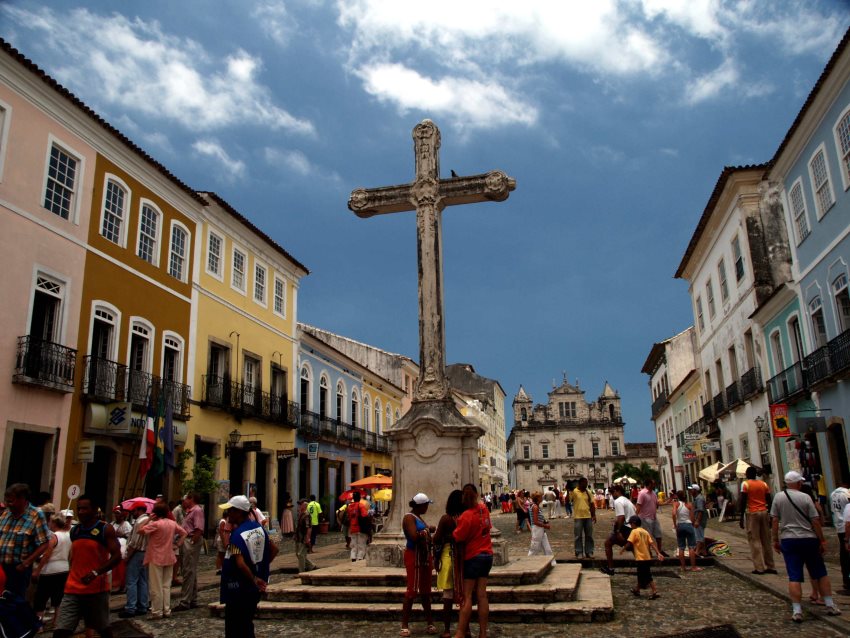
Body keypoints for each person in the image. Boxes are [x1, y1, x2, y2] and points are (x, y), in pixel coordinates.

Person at [771, 470, 841, 622]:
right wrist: (822, 540)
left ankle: (797, 610)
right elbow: (815, 520)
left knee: (794, 576)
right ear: (798, 483)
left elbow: (775, 521)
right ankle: (829, 604)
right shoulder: (806, 497)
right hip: (809, 539)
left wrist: (775, 540)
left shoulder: (778, 497)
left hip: (789, 540)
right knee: (820, 573)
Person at [52, 494, 121, 638]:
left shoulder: (105, 529)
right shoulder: (75, 531)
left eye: (85, 508)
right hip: (72, 588)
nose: (81, 511)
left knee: (103, 629)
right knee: (61, 630)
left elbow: (117, 557)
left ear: (95, 509)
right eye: (79, 508)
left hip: (96, 589)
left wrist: (96, 572)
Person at [219, 495, 278, 638]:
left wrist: (253, 577)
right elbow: (274, 549)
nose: (228, 515)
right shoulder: (258, 528)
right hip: (253, 589)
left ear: (238, 512)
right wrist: (260, 568)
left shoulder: (236, 536)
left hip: (238, 588)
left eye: (230, 511)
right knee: (246, 625)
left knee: (235, 628)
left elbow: (239, 563)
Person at [453, 484, 493, 638]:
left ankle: (461, 632)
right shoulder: (484, 509)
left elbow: (458, 536)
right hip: (487, 555)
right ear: (477, 494)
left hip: (473, 556)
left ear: (463, 497)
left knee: (467, 595)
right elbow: (487, 528)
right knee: (482, 595)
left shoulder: (466, 516)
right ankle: (483, 633)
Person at [137, 502, 187, 619]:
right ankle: (166, 609)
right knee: (166, 585)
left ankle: (157, 611)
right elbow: (184, 533)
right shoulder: (172, 523)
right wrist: (178, 544)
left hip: (156, 556)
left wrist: (149, 518)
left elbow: (139, 530)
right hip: (169, 555)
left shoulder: (156, 524)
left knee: (156, 586)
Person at [0, 483, 51, 596]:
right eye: (7, 501)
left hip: (18, 569)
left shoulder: (36, 515)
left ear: (22, 499)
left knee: (14, 603)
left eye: (11, 501)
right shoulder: (6, 513)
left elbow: (44, 543)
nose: (8, 504)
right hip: (1, 567)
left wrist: (26, 564)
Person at [400, 493, 436, 637]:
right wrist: (428, 530)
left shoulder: (419, 518)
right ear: (420, 505)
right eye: (426, 504)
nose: (427, 507)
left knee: (426, 591)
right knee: (412, 589)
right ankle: (404, 624)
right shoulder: (409, 517)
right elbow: (414, 536)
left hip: (424, 556)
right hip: (414, 556)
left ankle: (430, 622)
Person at [433, 490, 464, 638]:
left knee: (448, 595)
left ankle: (446, 630)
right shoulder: (465, 517)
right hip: (463, 557)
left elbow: (436, 538)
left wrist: (435, 558)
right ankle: (466, 629)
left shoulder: (446, 519)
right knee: (465, 594)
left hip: (448, 556)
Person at [32, 514, 71, 630]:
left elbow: (47, 555)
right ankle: (56, 622)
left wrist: (37, 570)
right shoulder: (68, 536)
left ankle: (39, 625)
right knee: (58, 597)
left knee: (41, 598)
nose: (49, 524)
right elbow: (70, 554)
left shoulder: (54, 536)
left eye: (50, 522)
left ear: (54, 523)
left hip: (50, 570)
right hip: (64, 568)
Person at [739, 466, 777, 575]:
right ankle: (771, 566)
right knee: (766, 540)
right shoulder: (763, 484)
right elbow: (769, 499)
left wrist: (741, 516)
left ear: (747, 474)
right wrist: (770, 513)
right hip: (764, 512)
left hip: (752, 513)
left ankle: (759, 567)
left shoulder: (746, 484)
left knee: (754, 540)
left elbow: (743, 500)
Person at [174, 491, 204, 612]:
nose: (183, 501)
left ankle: (185, 600)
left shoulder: (196, 510)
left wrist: (191, 542)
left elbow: (199, 529)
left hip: (190, 540)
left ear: (191, 499)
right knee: (190, 571)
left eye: (185, 499)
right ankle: (192, 599)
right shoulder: (190, 511)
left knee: (187, 571)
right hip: (187, 540)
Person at [120, 501, 150, 618]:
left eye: (134, 511)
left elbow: (135, 542)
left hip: (137, 553)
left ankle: (130, 607)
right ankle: (142, 605)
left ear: (139, 510)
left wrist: (128, 556)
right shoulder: (148, 520)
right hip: (145, 553)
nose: (132, 513)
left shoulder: (140, 522)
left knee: (131, 581)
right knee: (143, 580)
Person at [622, 515, 661, 599]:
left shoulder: (634, 532)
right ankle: (637, 589)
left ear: (634, 524)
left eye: (631, 524)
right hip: (647, 557)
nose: (631, 526)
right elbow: (652, 543)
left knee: (646, 575)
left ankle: (654, 591)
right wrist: (658, 552)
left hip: (640, 557)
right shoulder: (645, 531)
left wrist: (623, 549)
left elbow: (629, 542)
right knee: (641, 574)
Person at [601, 483, 636, 575]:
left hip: (626, 528)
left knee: (608, 543)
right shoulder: (627, 501)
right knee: (634, 549)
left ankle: (611, 568)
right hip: (633, 528)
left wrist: (618, 531)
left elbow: (621, 517)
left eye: (613, 492)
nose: (612, 494)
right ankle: (643, 567)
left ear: (618, 491)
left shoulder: (618, 501)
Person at [672, 490, 701, 573]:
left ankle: (683, 567)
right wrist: (693, 523)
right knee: (691, 547)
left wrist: (675, 524)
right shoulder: (689, 505)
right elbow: (692, 518)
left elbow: (674, 514)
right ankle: (693, 567)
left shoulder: (676, 504)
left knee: (681, 547)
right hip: (688, 525)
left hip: (680, 525)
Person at [636, 479, 666, 558]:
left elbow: (657, 503)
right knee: (648, 537)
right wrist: (635, 517)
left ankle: (659, 551)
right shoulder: (642, 493)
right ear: (649, 484)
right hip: (645, 518)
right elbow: (638, 505)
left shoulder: (653, 493)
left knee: (658, 535)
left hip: (654, 517)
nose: (654, 485)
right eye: (653, 484)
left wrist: (669, 501)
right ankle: (648, 552)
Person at [830, 480, 850, 592]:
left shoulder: (833, 494)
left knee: (843, 554)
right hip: (847, 527)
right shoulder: (846, 494)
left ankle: (845, 579)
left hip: (839, 526)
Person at [570, 477, 596, 558]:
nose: (586, 484)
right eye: (584, 483)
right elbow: (569, 500)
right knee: (578, 535)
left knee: (589, 535)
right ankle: (579, 552)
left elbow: (592, 504)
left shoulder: (588, 492)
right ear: (580, 483)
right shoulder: (575, 491)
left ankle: (589, 551)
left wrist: (594, 515)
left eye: (586, 483)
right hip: (578, 516)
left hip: (587, 516)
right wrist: (568, 490)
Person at [527, 491, 554, 561]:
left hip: (540, 529)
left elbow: (538, 519)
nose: (542, 498)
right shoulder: (535, 507)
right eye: (541, 497)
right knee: (534, 548)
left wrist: (545, 522)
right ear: (537, 498)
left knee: (547, 547)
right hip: (537, 529)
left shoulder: (536, 506)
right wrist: (546, 526)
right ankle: (528, 562)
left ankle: (551, 562)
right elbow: (535, 521)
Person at [294, 499, 316, 572]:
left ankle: (301, 571)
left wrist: (307, 538)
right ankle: (311, 565)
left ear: (305, 505)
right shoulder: (301, 514)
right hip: (298, 537)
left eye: (300, 504)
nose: (299, 506)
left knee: (301, 554)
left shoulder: (306, 515)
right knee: (298, 554)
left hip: (303, 537)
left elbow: (309, 528)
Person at [347, 492, 370, 562]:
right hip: (360, 528)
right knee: (361, 544)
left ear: (353, 498)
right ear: (359, 498)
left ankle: (353, 556)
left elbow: (349, 517)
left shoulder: (349, 507)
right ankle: (360, 557)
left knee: (353, 544)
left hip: (352, 528)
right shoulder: (361, 505)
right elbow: (365, 516)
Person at [689, 484, 708, 558]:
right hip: (698, 519)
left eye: (692, 490)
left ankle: (697, 551)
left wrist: (697, 521)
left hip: (699, 520)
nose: (690, 491)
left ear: (696, 490)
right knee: (700, 534)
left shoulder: (699, 499)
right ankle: (703, 551)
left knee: (699, 535)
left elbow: (700, 511)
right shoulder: (696, 498)